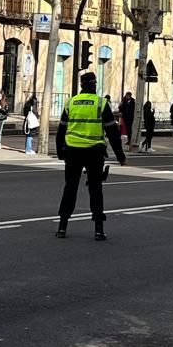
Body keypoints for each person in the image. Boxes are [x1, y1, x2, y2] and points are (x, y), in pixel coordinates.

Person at [56, 70, 126, 240]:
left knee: (70, 187)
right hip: (94, 152)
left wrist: (60, 152)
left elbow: (61, 130)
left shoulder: (71, 103)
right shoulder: (100, 103)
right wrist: (120, 156)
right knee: (95, 189)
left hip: (72, 151)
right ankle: (98, 230)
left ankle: (62, 227)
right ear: (94, 85)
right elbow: (112, 132)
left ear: (81, 85)